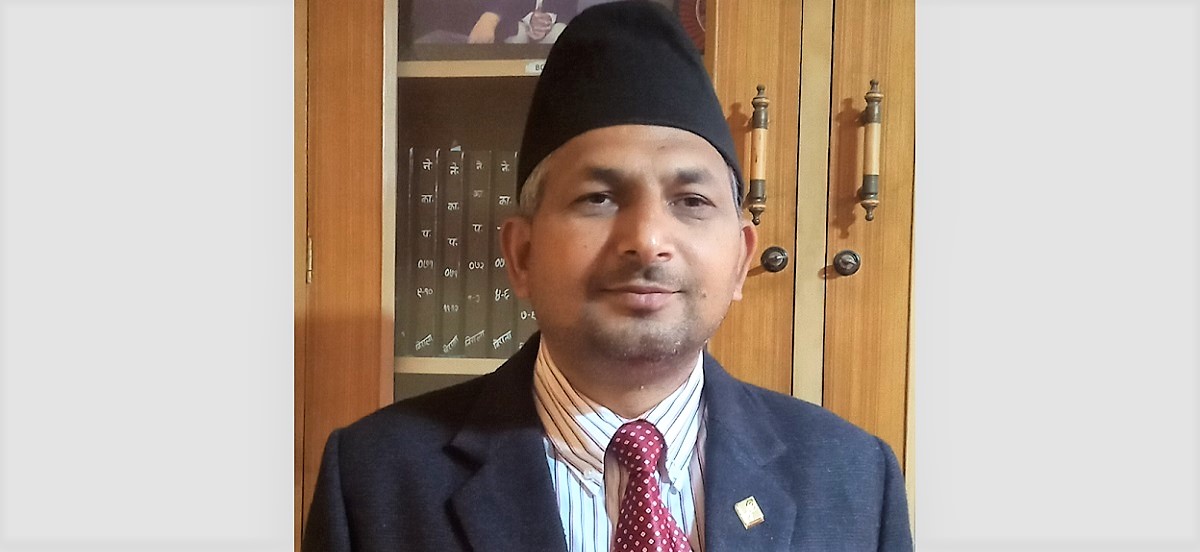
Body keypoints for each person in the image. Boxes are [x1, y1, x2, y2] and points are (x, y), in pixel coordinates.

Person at [303, 2, 913, 550]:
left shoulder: (854, 479)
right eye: (598, 198)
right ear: (521, 254)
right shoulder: (375, 480)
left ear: (740, 259)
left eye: (691, 201)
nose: (646, 239)